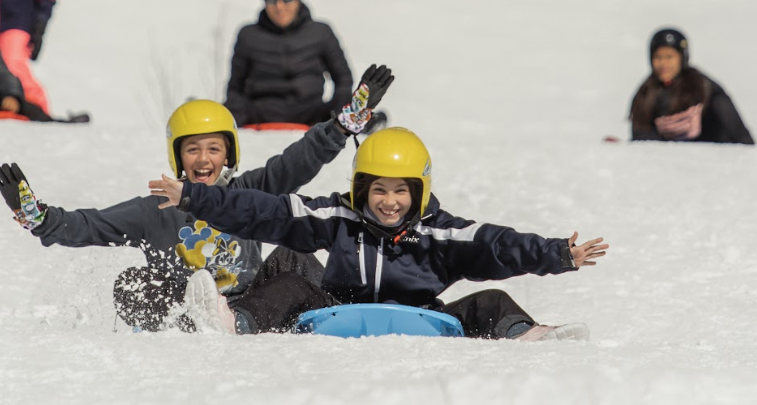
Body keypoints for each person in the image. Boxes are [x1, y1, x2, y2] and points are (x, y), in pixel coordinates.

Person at [0, 64, 395, 331]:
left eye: (214, 149)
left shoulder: (248, 190)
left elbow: (298, 162)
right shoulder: (155, 208)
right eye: (193, 149)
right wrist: (40, 218)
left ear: (229, 155)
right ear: (178, 156)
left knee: (296, 259)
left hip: (248, 301)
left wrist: (344, 126)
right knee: (131, 283)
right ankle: (190, 326)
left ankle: (341, 313)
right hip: (187, 306)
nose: (204, 159)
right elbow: (92, 224)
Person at [146, 127, 609, 340]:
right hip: (338, 310)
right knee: (289, 280)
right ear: (360, 189)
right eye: (379, 190)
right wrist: (195, 197)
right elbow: (266, 211)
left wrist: (559, 253)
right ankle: (234, 323)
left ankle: (529, 335)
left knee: (489, 302)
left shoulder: (438, 233)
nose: (389, 202)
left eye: (401, 192)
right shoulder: (340, 218)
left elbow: (499, 245)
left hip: (426, 315)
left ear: (420, 192)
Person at [224, 0, 354, 127]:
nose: (279, 7)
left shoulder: (321, 32)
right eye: (272, 0)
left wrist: (341, 106)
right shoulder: (248, 35)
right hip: (260, 112)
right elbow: (235, 86)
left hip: (312, 112)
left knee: (350, 112)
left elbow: (344, 79)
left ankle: (367, 124)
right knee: (220, 113)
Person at [628, 28, 752, 144]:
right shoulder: (646, 94)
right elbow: (642, 137)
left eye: (669, 57)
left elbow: (738, 133)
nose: (663, 63)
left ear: (682, 57)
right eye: (658, 57)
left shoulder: (704, 88)